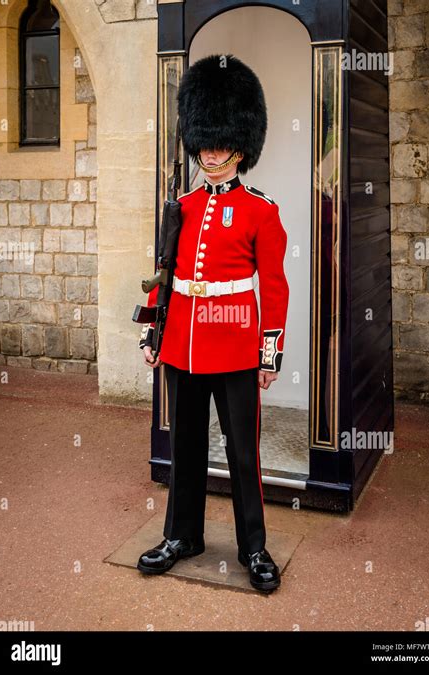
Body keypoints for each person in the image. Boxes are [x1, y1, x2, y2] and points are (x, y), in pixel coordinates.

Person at [136, 54, 289, 593]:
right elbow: (165, 274)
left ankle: (254, 547)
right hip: (182, 343)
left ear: (241, 146)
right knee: (185, 448)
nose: (211, 153)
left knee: (243, 451)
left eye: (221, 144)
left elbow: (273, 287)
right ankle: (183, 536)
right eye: (204, 142)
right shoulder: (181, 206)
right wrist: (153, 331)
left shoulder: (260, 211)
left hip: (236, 346)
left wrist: (269, 353)